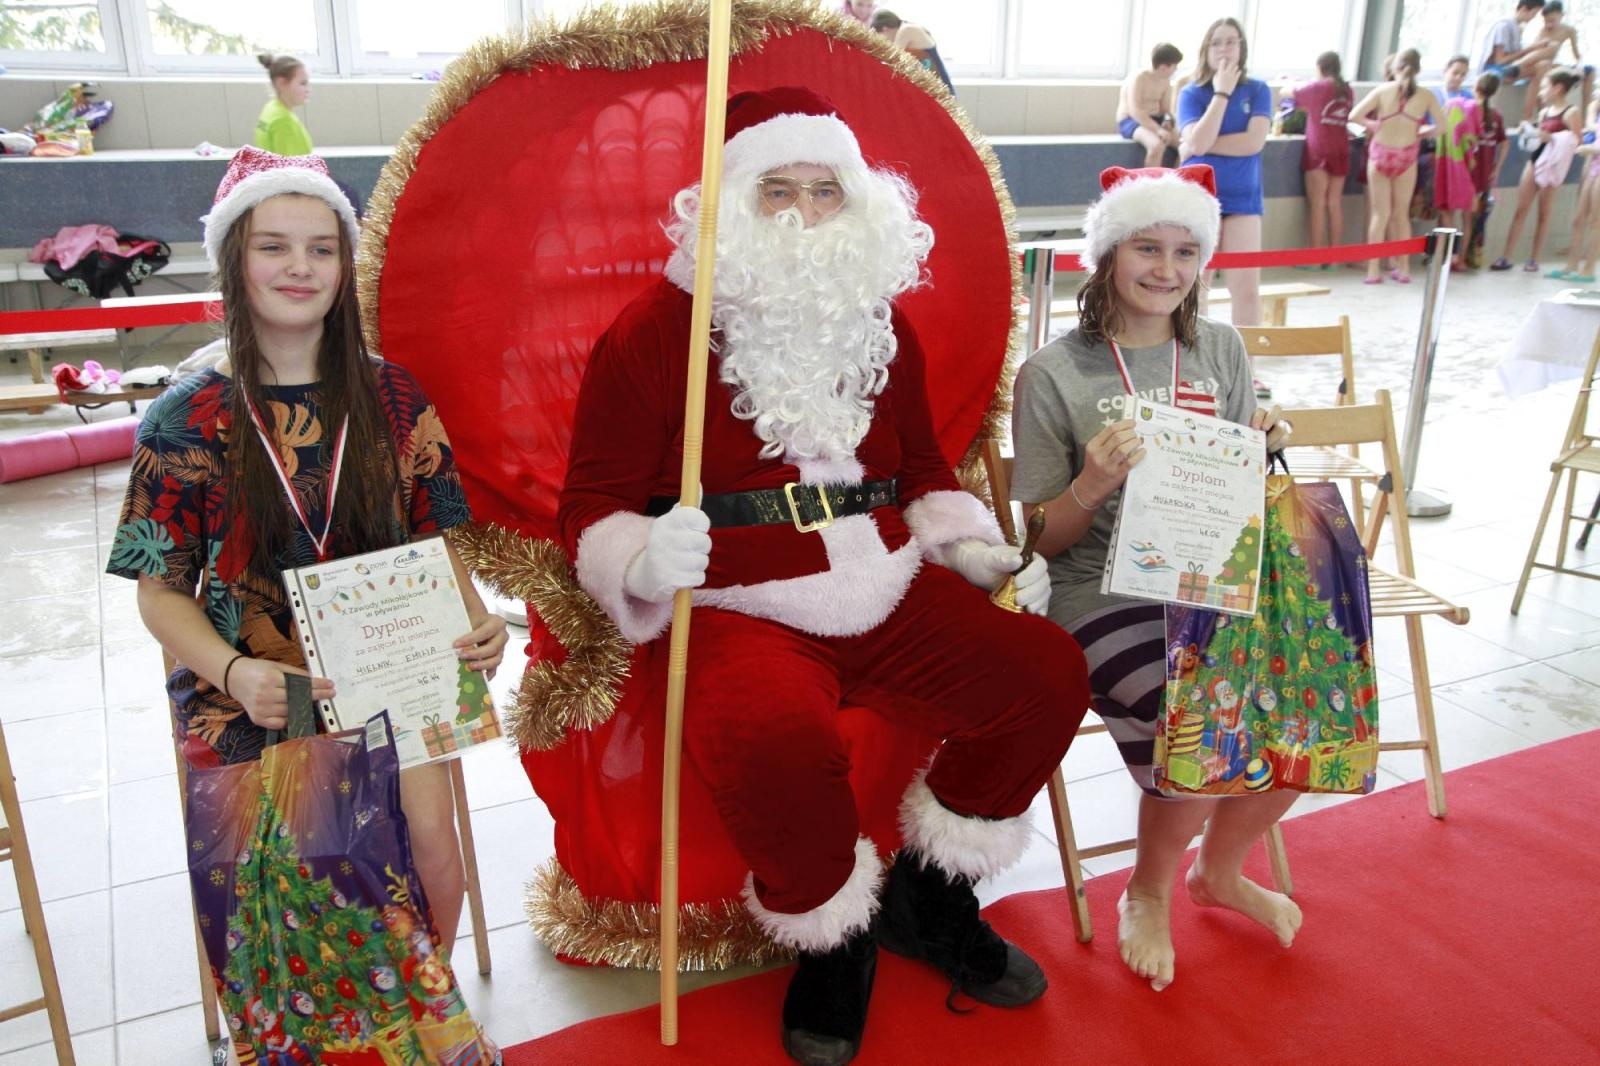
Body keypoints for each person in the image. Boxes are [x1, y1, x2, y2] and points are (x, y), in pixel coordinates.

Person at [560, 87, 1090, 1066]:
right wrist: (640, 554)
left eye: (823, 190)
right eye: (775, 191)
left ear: (857, 204)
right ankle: (834, 940)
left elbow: (926, 468)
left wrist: (967, 545)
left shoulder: (881, 325)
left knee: (1044, 671)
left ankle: (927, 901)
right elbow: (590, 503)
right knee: (763, 731)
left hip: (888, 573)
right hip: (738, 597)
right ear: (726, 204)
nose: (802, 214)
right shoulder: (657, 332)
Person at [107, 148, 508, 969]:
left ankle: (421, 1025)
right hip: (254, 685)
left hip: (388, 668)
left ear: (345, 264)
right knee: (295, 879)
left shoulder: (395, 396)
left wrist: (476, 622)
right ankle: (298, 1033)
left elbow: (435, 535)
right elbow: (158, 596)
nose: (300, 266)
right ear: (233, 262)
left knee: (432, 846)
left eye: (321, 248)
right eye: (273, 246)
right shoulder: (184, 419)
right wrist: (229, 672)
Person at [1011, 163, 1295, 994]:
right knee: (1199, 710)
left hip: (1215, 575)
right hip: (1098, 586)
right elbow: (1039, 539)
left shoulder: (1221, 348)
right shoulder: (1055, 374)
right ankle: (1150, 888)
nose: (1166, 269)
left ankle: (1224, 869)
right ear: (1107, 255)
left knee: (1312, 695)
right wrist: (1091, 483)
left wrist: (1266, 439)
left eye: (1184, 250)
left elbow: (1247, 489)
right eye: (1146, 246)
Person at [1178, 17, 1271, 326]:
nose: (1224, 49)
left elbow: (1253, 142)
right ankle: (1194, 365)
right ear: (1206, 50)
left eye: (1231, 41)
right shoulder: (1192, 93)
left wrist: (1198, 144)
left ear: (1242, 48)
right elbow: (1199, 142)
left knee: (1246, 289)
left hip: (1243, 198)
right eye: (1216, 42)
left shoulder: (1258, 90)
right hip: (1200, 196)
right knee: (1196, 287)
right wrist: (1221, 93)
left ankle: (1247, 368)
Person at [1350, 48, 1445, 284]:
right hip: (1407, 156)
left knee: (1379, 214)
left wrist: (1373, 125)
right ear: (1419, 68)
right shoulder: (1426, 95)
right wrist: (1423, 133)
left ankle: (1373, 270)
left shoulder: (1383, 91)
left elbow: (1354, 116)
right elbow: (1443, 127)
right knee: (1401, 214)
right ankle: (1403, 268)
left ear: (1394, 67)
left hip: (1381, 153)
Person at [1490, 67, 1582, 271]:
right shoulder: (1544, 112)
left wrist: (1552, 138)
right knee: (1521, 209)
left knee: (1544, 212)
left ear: (1557, 88)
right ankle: (1506, 255)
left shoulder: (1571, 112)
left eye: (1543, 87)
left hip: (1553, 166)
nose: (1540, 91)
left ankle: (1534, 258)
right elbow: (1538, 136)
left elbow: (1576, 142)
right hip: (1535, 161)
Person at [1286, 51, 1354, 259]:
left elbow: (1286, 93)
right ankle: (1333, 256)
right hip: (1341, 148)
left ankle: (1314, 257)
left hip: (1319, 150)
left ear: (1320, 68)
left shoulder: (1319, 87)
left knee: (1317, 204)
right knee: (1334, 202)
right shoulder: (1347, 89)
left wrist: (1294, 82)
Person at [1435, 67, 1484, 271]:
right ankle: (1455, 257)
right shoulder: (1438, 96)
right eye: (1455, 72)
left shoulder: (1465, 104)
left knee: (1454, 213)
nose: (1458, 77)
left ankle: (1452, 256)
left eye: (1463, 74)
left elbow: (1470, 138)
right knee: (1461, 215)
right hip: (1465, 166)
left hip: (1459, 167)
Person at [1478, 1, 1553, 122]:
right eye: (1534, 13)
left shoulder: (1516, 27)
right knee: (1543, 67)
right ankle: (1528, 117)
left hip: (1508, 67)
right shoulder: (1504, 26)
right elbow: (1500, 60)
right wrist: (1532, 48)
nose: (1534, 18)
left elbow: (1513, 55)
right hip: (1494, 70)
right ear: (1524, 9)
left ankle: (1535, 114)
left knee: (1545, 64)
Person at [1553, 96, 1600, 281]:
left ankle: (1588, 269)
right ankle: (1571, 264)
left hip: (1594, 156)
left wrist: (1592, 149)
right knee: (1579, 218)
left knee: (1596, 221)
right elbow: (1589, 126)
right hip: (1593, 162)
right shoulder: (1595, 105)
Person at [1118, 43, 1183, 169]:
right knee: (1156, 145)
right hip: (1131, 121)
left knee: (1185, 146)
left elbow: (1165, 109)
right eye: (1174, 67)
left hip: (1154, 119)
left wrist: (1167, 121)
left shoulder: (1165, 81)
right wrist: (1158, 130)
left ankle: (1176, 180)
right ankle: (1151, 184)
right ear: (1164, 67)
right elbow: (1135, 110)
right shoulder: (1138, 79)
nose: (1175, 70)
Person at [1467, 73, 1509, 267]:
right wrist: (1497, 167)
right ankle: (1466, 255)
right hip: (1482, 174)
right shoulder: (1494, 114)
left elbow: (1504, 141)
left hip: (1470, 173)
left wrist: (1496, 168)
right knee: (1473, 216)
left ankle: (1463, 255)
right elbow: (1505, 143)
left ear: (1476, 87)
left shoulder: (1471, 111)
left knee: (1469, 216)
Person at [869, 10, 954, 94]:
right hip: (934, 82)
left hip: (938, 84)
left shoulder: (906, 30)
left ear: (885, 29)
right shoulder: (909, 27)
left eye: (883, 38)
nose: (886, 42)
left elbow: (892, 57)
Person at [254, 53, 313, 156]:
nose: (308, 89)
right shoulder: (283, 121)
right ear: (281, 83)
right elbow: (288, 168)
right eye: (303, 83)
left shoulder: (271, 108)